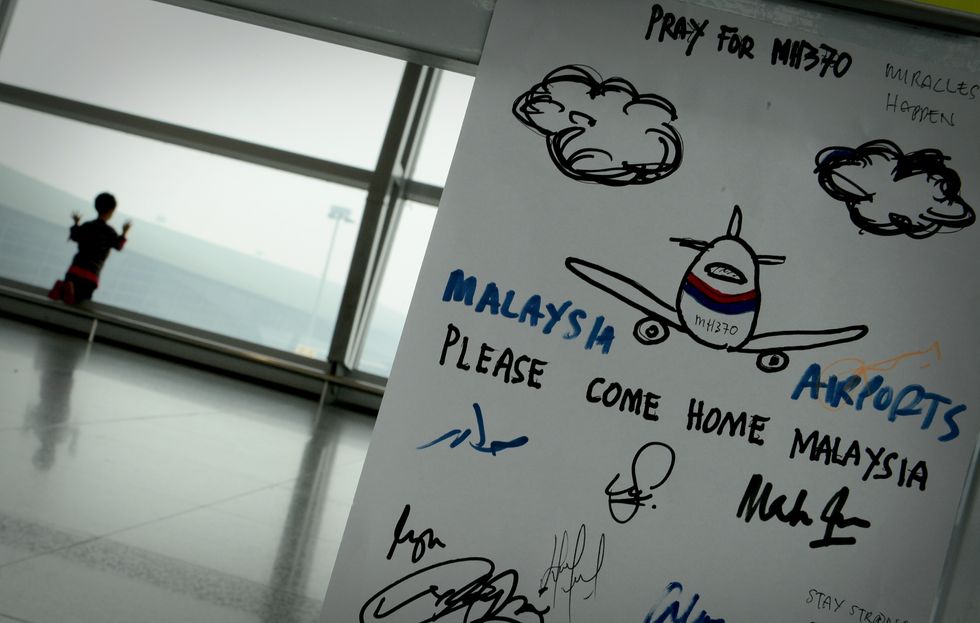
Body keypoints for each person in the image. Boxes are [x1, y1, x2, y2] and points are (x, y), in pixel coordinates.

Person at [48, 192, 131, 305]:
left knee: (69, 297)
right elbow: (119, 246)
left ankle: (63, 287)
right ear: (111, 211)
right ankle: (65, 289)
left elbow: (75, 236)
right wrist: (124, 232)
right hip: (91, 274)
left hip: (75, 268)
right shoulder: (110, 232)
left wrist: (76, 223)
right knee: (82, 300)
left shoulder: (88, 225)